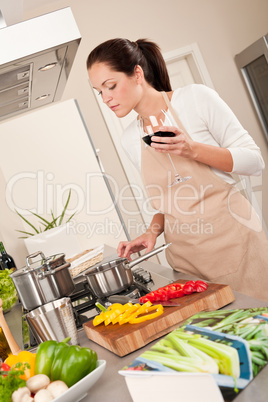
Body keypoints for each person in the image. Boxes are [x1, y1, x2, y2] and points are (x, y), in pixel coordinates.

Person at [87, 38, 268, 302]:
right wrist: (152, 231)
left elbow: (255, 161)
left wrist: (192, 150)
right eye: (99, 92)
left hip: (237, 244)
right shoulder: (130, 138)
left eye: (110, 86)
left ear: (138, 73)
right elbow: (166, 198)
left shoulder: (196, 99)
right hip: (187, 261)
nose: (106, 98)